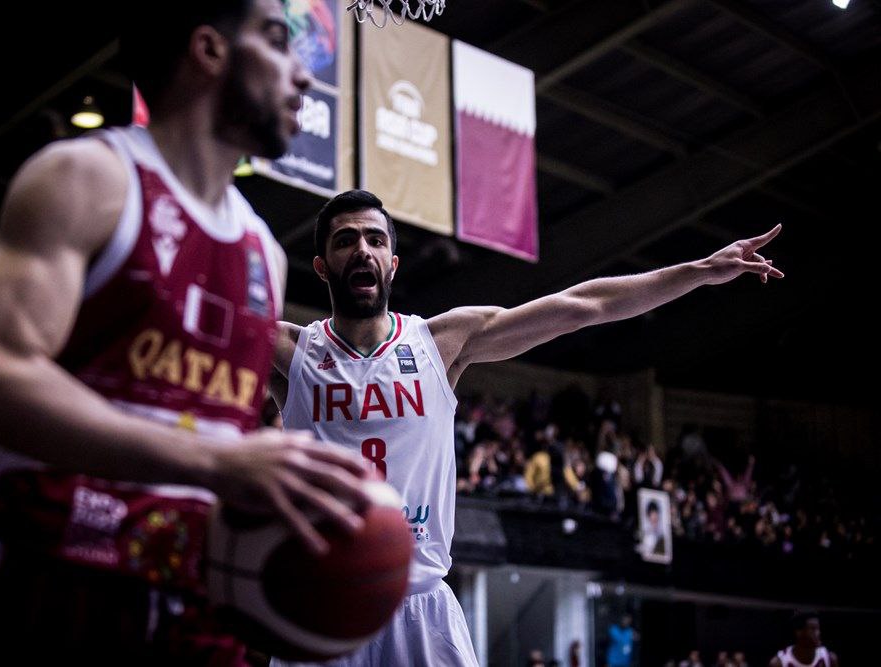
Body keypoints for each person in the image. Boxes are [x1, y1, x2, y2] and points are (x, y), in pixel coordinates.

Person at [0, 4, 371, 664]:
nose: (302, 75)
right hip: (47, 572)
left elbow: (210, 436)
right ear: (209, 50)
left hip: (192, 598)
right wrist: (215, 461)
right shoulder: (87, 178)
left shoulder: (262, 251)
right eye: (276, 42)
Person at [270, 189, 782, 665]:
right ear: (321, 266)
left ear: (393, 263)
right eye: (346, 240)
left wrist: (700, 270)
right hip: (324, 597)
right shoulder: (292, 352)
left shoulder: (440, 342)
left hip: (418, 602)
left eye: (375, 239)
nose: (363, 250)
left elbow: (585, 306)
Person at [770, 612, 839, 667]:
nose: (818, 633)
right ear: (799, 633)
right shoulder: (779, 663)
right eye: (813, 629)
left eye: (818, 629)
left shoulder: (829, 659)